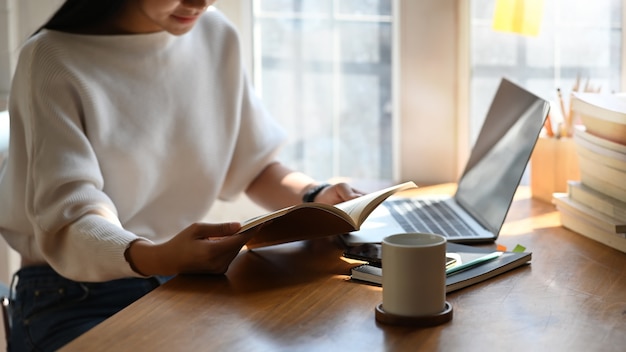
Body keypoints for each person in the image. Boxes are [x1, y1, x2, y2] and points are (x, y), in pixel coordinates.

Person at [0, 1, 363, 350]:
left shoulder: (215, 34)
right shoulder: (52, 59)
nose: (201, 2)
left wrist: (315, 195)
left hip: (180, 280)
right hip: (74, 297)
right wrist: (160, 257)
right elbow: (73, 219)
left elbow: (251, 165)